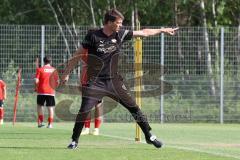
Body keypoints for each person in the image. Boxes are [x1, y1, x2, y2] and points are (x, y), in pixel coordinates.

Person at [61, 8, 178, 149]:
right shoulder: (93, 36)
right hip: (95, 82)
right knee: (84, 111)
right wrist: (66, 73)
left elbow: (144, 32)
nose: (121, 25)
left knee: (134, 107)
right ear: (109, 22)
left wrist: (162, 30)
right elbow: (77, 55)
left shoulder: (120, 34)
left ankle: (149, 136)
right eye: (118, 23)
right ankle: (74, 141)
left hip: (114, 81)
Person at [80, 47, 103, 136]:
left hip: (98, 81)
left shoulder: (102, 49)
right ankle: (87, 128)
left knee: (98, 104)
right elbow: (83, 66)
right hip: (86, 81)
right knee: (86, 105)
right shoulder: (85, 50)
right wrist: (81, 81)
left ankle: (96, 128)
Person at [35, 56, 59, 128]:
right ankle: (50, 124)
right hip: (51, 91)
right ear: (50, 62)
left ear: (44, 61)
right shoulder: (54, 70)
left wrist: (36, 87)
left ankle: (41, 123)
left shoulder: (40, 69)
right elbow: (57, 81)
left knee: (40, 106)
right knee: (50, 107)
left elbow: (36, 81)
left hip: (41, 91)